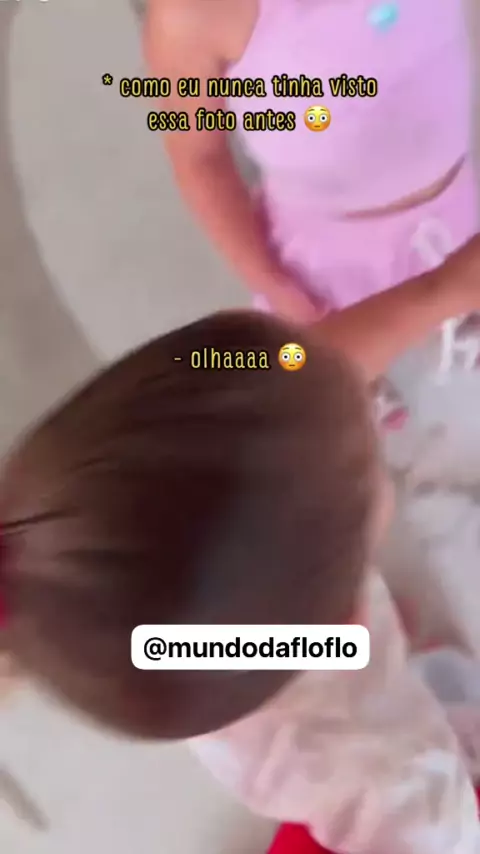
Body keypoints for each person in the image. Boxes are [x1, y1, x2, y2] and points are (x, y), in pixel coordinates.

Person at [4, 250, 480, 851]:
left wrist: (439, 290)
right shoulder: (406, 795)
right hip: (365, 749)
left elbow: (289, 366)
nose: (369, 400)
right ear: (346, 611)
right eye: (371, 450)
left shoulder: (172, 631)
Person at [143, 0, 479, 426]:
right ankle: (361, 383)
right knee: (330, 369)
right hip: (326, 256)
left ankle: (452, 320)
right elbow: (198, 157)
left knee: (453, 288)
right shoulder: (193, 13)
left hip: (454, 198)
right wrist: (273, 283)